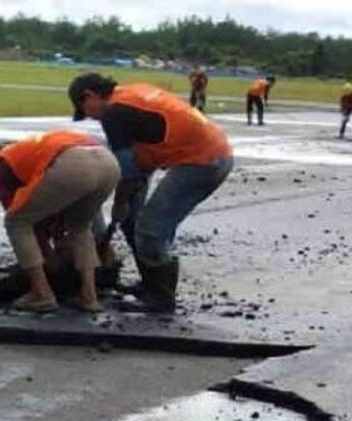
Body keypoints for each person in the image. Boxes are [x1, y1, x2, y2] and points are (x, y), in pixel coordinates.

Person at [68, 73, 234, 313]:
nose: (90, 118)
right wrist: (127, 206)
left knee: (151, 229)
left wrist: (120, 203)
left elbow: (126, 169)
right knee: (137, 221)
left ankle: (160, 298)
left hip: (203, 161)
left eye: (85, 110)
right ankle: (151, 283)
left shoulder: (114, 112)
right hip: (214, 153)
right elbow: (145, 151)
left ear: (89, 96)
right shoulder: (133, 93)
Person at [0, 130, 120, 313]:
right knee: (80, 227)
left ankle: (42, 294)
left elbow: (26, 221)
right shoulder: (36, 151)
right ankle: (89, 297)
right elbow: (54, 209)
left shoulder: (0, 164)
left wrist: (48, 258)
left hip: (75, 163)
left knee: (16, 222)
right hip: (108, 162)